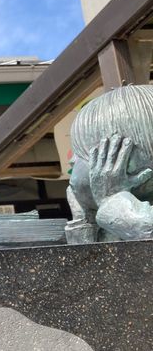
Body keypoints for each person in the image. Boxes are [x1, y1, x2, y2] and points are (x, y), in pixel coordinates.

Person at [65, 84, 153, 244]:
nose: (71, 162)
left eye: (80, 152)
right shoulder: (105, 222)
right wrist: (84, 227)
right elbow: (90, 267)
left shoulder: (115, 210)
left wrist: (114, 202)